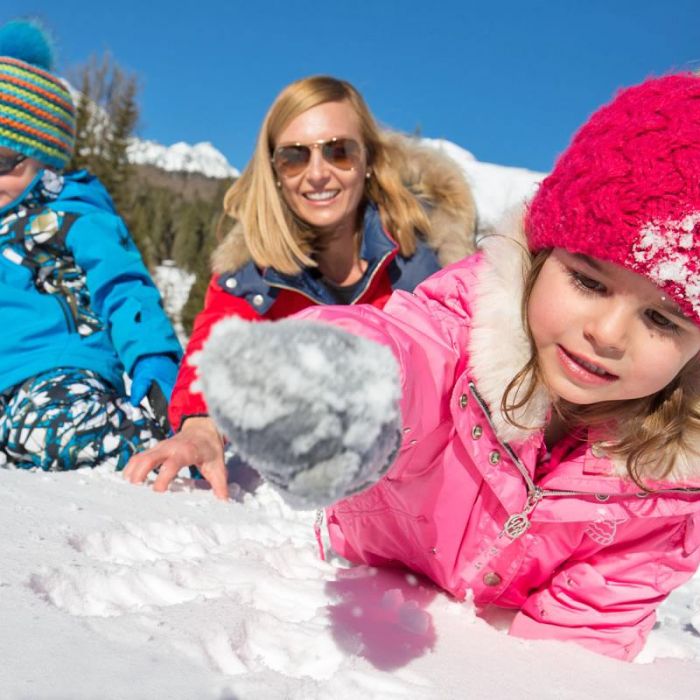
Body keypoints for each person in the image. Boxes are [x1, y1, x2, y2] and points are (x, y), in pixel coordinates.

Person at [193, 74, 700, 661]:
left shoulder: (670, 484)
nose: (607, 335)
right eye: (587, 281)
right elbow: (408, 349)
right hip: (347, 600)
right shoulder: (461, 333)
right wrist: (338, 382)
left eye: (664, 321)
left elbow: (586, 642)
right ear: (538, 254)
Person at [124, 75, 476, 494]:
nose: (317, 174)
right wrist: (201, 427)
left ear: (368, 161)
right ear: (274, 170)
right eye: (294, 157)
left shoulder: (429, 258)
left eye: (339, 152)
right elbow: (217, 347)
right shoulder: (252, 269)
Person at [0, 20, 181, 471]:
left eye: (3, 162)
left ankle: (149, 438)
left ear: (46, 160)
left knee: (52, 430)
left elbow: (124, 289)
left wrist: (155, 362)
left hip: (57, 371)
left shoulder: (73, 215)